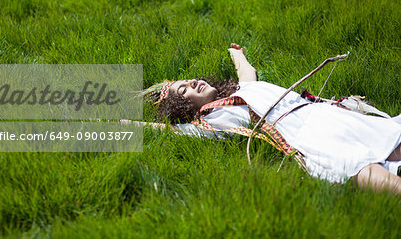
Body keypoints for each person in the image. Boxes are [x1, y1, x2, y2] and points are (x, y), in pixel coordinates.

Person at [140, 43, 401, 194]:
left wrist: (236, 53)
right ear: (183, 107)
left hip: (324, 114)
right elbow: (169, 131)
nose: (192, 82)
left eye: (189, 79)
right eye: (183, 89)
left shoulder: (243, 89)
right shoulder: (213, 121)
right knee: (359, 166)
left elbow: (247, 71)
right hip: (305, 137)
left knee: (387, 137)